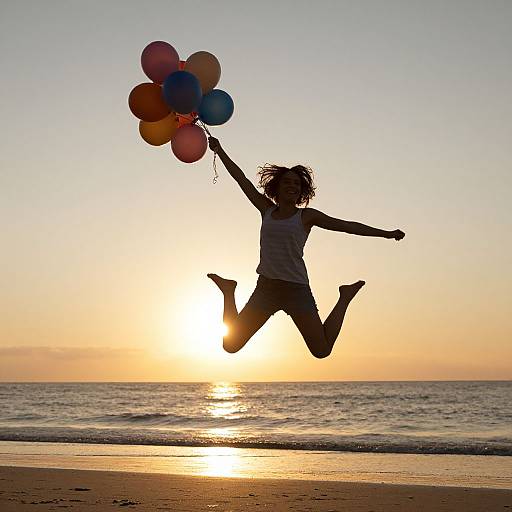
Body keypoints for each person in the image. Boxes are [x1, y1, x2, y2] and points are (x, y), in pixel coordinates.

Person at [207, 136, 405, 359]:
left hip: (296, 289)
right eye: (287, 182)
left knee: (321, 350)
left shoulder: (306, 216)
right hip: (266, 289)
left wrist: (386, 234)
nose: (292, 186)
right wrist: (220, 150)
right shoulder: (266, 210)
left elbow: (347, 226)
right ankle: (228, 291)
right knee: (230, 345)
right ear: (277, 187)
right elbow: (240, 179)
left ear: (302, 191)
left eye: (296, 184)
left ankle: (344, 296)